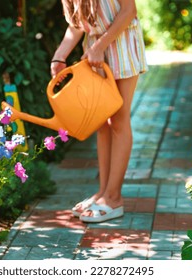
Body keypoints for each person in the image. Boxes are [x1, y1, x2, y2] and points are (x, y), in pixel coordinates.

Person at [50, 0, 148, 223]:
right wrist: (60, 56)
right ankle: (103, 192)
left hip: (121, 45)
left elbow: (129, 11)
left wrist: (100, 46)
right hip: (95, 52)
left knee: (119, 121)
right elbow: (78, 24)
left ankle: (114, 198)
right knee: (101, 122)